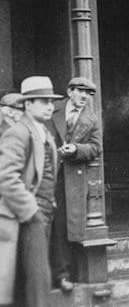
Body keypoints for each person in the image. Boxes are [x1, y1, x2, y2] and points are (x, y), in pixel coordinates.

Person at [0, 76, 62, 307]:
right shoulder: (19, 132)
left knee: (34, 281)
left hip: (44, 211)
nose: (49, 106)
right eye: (43, 101)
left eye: (51, 101)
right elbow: (6, 177)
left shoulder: (43, 132)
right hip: (27, 216)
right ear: (28, 105)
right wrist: (31, 211)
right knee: (37, 280)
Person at [47, 77, 102, 294]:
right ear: (70, 91)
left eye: (89, 94)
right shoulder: (53, 108)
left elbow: (96, 148)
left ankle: (63, 275)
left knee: (65, 226)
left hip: (71, 178)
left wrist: (76, 149)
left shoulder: (92, 118)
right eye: (81, 92)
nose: (85, 97)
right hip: (47, 173)